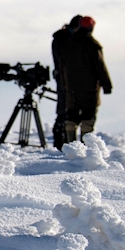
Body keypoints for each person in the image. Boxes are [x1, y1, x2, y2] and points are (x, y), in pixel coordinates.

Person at [61, 15, 112, 143]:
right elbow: (100, 67)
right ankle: (85, 147)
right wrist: (106, 85)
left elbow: (62, 67)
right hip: (90, 89)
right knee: (87, 119)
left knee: (71, 118)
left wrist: (64, 85)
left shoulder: (68, 44)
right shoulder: (92, 45)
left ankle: (70, 145)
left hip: (71, 88)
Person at [50, 15, 82, 150]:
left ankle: (63, 143)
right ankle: (60, 144)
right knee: (64, 110)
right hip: (65, 80)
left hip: (65, 79)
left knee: (65, 110)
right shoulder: (63, 39)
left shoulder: (61, 37)